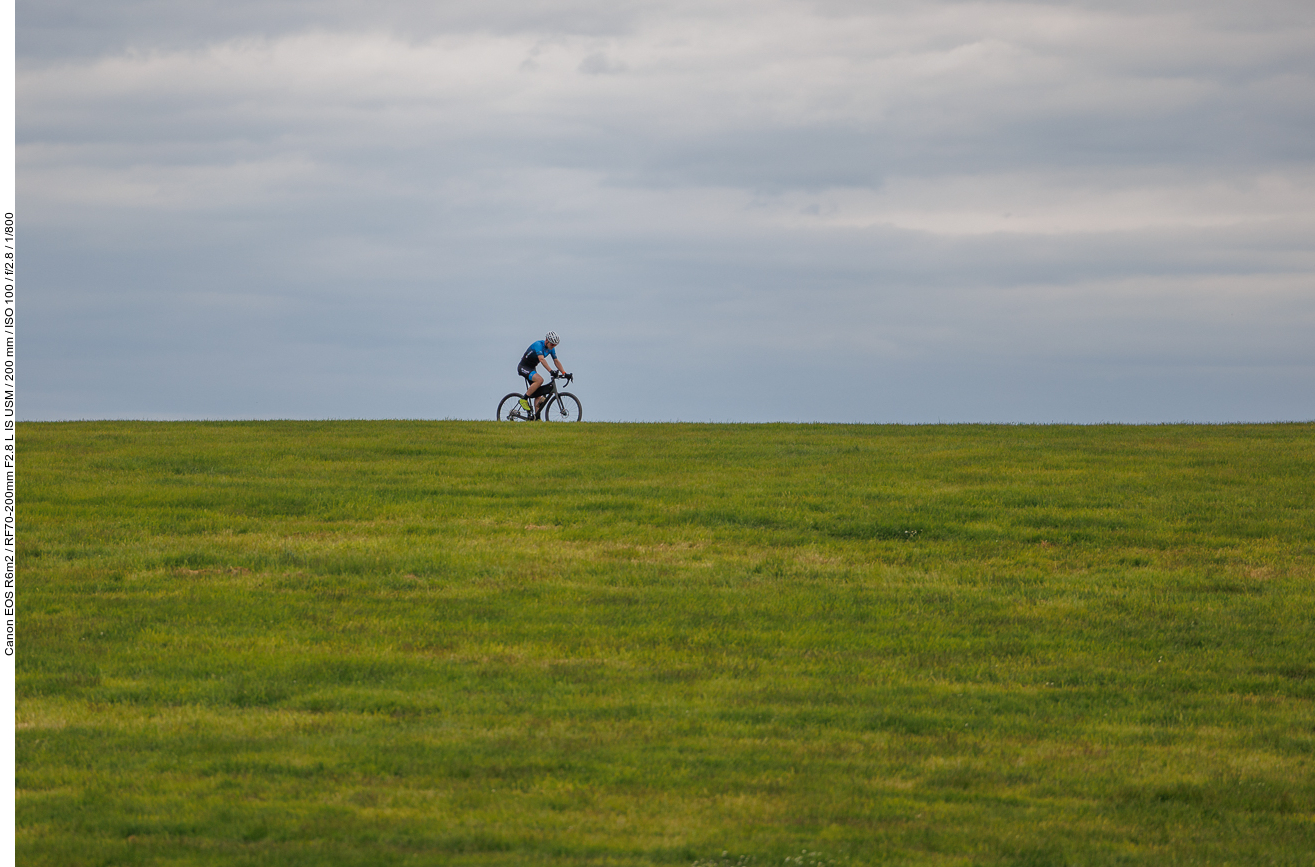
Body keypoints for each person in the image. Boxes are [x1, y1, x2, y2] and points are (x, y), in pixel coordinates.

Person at [518, 332, 568, 415]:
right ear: (547, 340)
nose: (553, 346)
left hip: (532, 368)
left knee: (538, 395)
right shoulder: (538, 345)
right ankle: (523, 399)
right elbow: (541, 359)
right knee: (540, 380)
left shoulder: (551, 348)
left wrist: (564, 373)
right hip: (523, 367)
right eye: (552, 344)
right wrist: (551, 371)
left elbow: (556, 360)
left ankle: (537, 418)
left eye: (555, 345)